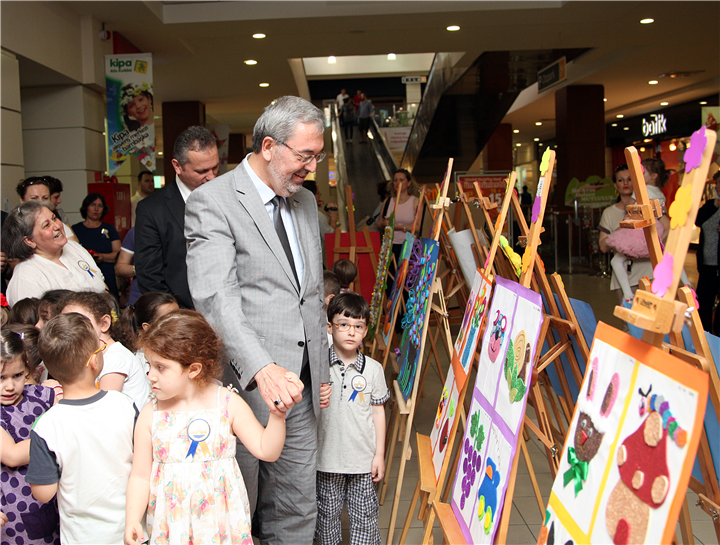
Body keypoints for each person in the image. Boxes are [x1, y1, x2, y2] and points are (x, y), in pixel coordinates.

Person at [185, 95, 331, 544]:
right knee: (238, 507)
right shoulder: (213, 201)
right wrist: (262, 367)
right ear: (269, 146)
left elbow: (308, 292)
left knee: (296, 505)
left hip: (301, 387)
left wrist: (322, 365)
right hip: (244, 387)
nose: (311, 167)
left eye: (317, 156)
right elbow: (217, 298)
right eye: (305, 156)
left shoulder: (305, 202)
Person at [124, 310, 288, 544]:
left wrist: (277, 416)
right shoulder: (151, 414)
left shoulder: (227, 403)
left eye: (161, 367)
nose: (150, 375)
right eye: (149, 365)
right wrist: (132, 519)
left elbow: (266, 450)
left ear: (193, 369)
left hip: (220, 525)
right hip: (172, 527)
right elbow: (140, 476)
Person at [29, 313, 137, 544]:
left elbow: (43, 493)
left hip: (81, 536)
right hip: (132, 529)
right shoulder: (124, 405)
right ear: (94, 361)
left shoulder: (46, 425)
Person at [315, 293, 388, 545]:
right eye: (343, 324)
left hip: (362, 461)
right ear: (329, 327)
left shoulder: (374, 369)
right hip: (326, 459)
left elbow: (378, 413)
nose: (351, 332)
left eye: (358, 326)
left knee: (365, 518)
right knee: (326, 518)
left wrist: (379, 455)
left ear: (365, 331)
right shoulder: (318, 365)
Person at [135, 126, 219, 309]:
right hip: (182, 313)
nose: (212, 177)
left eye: (215, 168)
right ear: (177, 166)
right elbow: (149, 276)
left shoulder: (228, 198)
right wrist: (177, 316)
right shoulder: (152, 209)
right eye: (202, 171)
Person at [0, 329, 61, 545]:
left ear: (27, 368)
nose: (9, 386)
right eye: (0, 378)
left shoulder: (42, 396)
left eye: (17, 375)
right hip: (14, 513)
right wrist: (58, 437)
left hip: (53, 502)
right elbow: (12, 455)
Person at [2, 202, 106, 306]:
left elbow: (102, 285)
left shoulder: (74, 247)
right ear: (29, 240)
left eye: (54, 218)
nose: (57, 226)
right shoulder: (25, 278)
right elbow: (29, 316)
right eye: (46, 225)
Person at [61, 291, 150, 410]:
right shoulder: (93, 356)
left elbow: (104, 409)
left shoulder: (116, 357)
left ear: (104, 323)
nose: (69, 330)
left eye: (79, 323)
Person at [598, 164, 654, 305]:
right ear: (616, 185)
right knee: (627, 318)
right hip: (624, 280)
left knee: (652, 318)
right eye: (621, 180)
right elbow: (603, 246)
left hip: (650, 275)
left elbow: (666, 229)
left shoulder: (648, 206)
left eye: (629, 179)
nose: (626, 183)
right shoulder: (609, 213)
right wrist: (624, 227)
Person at [73, 192, 121, 299]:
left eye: (100, 206)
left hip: (108, 276)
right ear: (86, 207)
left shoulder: (109, 229)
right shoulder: (76, 229)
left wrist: (102, 257)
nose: (96, 209)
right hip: (84, 277)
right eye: (93, 205)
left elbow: (118, 254)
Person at [695, 171, 720, 333]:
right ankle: (705, 337)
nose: (718, 187)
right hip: (707, 264)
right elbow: (698, 220)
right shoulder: (711, 205)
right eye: (717, 184)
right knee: (703, 303)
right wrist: (715, 204)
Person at [377, 169, 418, 266]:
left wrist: (398, 227)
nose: (398, 183)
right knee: (389, 273)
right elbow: (378, 224)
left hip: (408, 245)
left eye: (401, 180)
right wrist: (384, 223)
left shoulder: (415, 201)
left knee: (404, 273)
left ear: (409, 183)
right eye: (395, 180)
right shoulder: (388, 201)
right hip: (389, 246)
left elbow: (418, 228)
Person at [15, 178, 77, 243]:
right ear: (22, 200)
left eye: (45, 198)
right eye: (34, 198)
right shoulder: (15, 227)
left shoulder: (58, 225)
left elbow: (73, 245)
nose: (40, 202)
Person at [116, 227, 142, 306]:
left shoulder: (174, 229)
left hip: (171, 299)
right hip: (139, 300)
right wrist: (140, 269)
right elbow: (119, 268)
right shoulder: (136, 231)